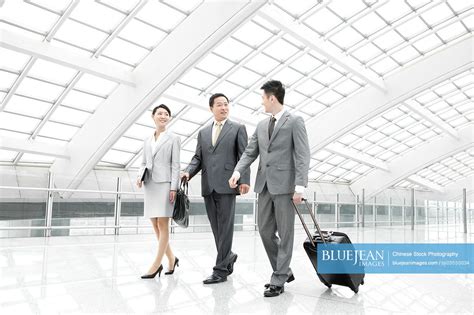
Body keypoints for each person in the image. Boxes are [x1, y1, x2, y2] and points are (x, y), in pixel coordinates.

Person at [229, 80, 310, 297]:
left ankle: (279, 277)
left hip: (286, 188)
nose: (262, 102)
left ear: (272, 98)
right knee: (265, 231)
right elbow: (249, 152)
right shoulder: (262, 125)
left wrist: (300, 187)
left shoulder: (295, 121)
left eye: (263, 98)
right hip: (264, 185)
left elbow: (303, 155)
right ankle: (284, 271)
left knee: (285, 233)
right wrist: (237, 172)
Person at [182, 93, 250, 284]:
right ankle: (228, 256)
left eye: (226, 104)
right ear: (211, 108)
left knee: (226, 227)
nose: (224, 107)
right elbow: (198, 157)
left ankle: (220, 270)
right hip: (208, 185)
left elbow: (243, 155)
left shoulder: (238, 128)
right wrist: (188, 172)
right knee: (216, 228)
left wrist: (244, 180)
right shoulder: (203, 132)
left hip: (229, 184)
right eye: (219, 105)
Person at [137, 104, 181, 279]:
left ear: (169, 118)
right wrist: (140, 176)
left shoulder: (173, 138)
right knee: (154, 224)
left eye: (166, 114)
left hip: (165, 184)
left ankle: (156, 265)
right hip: (150, 184)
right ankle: (171, 258)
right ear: (153, 116)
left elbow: (176, 165)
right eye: (160, 113)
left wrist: (173, 188)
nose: (163, 116)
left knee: (163, 224)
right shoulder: (147, 140)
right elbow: (143, 163)